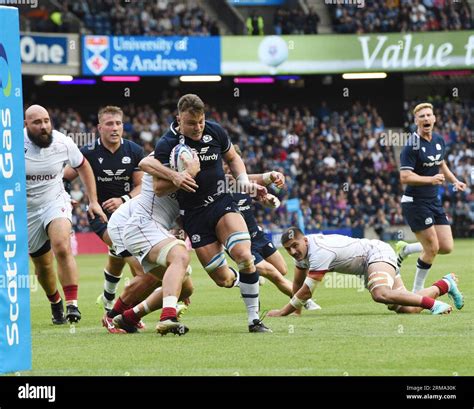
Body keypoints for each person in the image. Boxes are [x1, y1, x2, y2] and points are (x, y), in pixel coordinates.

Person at [140, 94, 271, 333]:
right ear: (178, 119)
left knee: (244, 254)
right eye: (191, 123)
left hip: (220, 203)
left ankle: (254, 320)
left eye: (201, 121)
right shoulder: (166, 144)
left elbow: (232, 157)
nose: (198, 127)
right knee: (223, 279)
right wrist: (179, 178)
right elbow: (159, 189)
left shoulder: (215, 131)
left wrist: (243, 181)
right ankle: (243, 279)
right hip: (193, 216)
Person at [24, 104, 107, 324]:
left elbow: (83, 166)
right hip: (27, 211)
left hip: (55, 200)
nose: (44, 126)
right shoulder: (11, 145)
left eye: (46, 121)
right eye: (37, 122)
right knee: (42, 266)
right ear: (25, 125)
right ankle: (55, 303)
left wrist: (93, 201)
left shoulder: (63, 142)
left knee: (61, 245)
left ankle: (73, 305)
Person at [268, 228, 464, 317]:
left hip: (375, 254)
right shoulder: (302, 253)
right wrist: (298, 313)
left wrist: (283, 312)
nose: (293, 251)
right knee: (407, 308)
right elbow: (297, 284)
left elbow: (307, 291)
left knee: (380, 294)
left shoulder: (319, 251)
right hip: (367, 265)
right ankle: (445, 284)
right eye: (288, 249)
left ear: (305, 240)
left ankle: (434, 305)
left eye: (295, 246)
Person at [102, 153, 199, 335]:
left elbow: (181, 222)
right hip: (127, 223)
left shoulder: (194, 182)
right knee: (146, 276)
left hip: (149, 227)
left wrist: (175, 280)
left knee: (186, 288)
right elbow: (150, 172)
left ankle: (130, 317)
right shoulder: (164, 167)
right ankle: (111, 316)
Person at [64, 106, 144, 312]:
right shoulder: (88, 152)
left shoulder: (134, 151)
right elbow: (63, 177)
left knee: (117, 255)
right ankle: (132, 312)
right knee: (134, 258)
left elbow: (141, 186)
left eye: (118, 123)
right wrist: (65, 197)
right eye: (109, 124)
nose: (115, 128)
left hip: (128, 212)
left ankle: (108, 300)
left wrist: (123, 199)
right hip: (100, 214)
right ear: (100, 128)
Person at [223, 148, 321, 312]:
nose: (228, 167)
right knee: (274, 274)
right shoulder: (220, 188)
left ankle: (248, 275)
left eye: (231, 163)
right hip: (240, 243)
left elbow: (263, 199)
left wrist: (268, 201)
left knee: (282, 269)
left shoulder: (245, 184)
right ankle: (304, 300)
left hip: (257, 235)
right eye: (225, 164)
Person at [399, 102, 467, 292]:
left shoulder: (438, 139)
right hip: (415, 202)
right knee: (432, 249)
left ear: (434, 118)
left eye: (429, 115)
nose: (426, 119)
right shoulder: (411, 146)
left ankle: (406, 250)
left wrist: (455, 180)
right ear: (416, 121)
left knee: (446, 246)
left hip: (433, 201)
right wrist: (430, 179)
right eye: (422, 116)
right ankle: (416, 294)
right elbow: (405, 177)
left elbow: (441, 162)